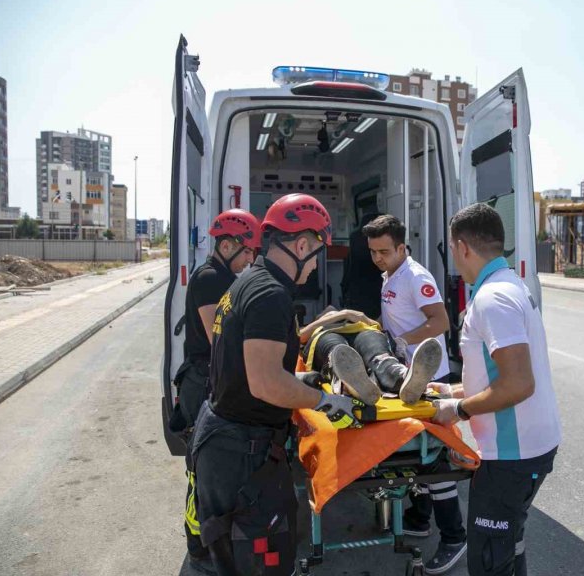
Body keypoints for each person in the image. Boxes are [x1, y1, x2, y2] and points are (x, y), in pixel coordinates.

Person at [192, 194, 360, 576]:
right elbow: (266, 383)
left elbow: (243, 365)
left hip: (224, 443)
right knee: (262, 559)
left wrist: (296, 379)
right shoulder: (271, 295)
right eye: (317, 252)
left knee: (238, 558)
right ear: (302, 244)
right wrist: (324, 401)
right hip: (243, 455)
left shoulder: (248, 282)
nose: (317, 262)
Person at [431, 203, 561, 576]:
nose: (454, 258)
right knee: (508, 548)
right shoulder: (507, 285)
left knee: (489, 560)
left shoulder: (492, 299)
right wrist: (453, 391)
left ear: (463, 247)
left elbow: (519, 382)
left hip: (512, 457)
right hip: (524, 450)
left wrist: (458, 411)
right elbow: (498, 374)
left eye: (453, 251)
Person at [362, 214, 467, 575]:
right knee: (416, 455)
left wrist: (401, 342)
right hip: (404, 374)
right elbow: (396, 316)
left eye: (385, 251)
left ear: (402, 247)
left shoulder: (416, 276)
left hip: (429, 378)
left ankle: (454, 535)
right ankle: (420, 519)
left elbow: (440, 322)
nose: (378, 258)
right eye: (373, 251)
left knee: (434, 461)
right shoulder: (390, 274)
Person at [169, 208, 259, 573]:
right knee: (199, 474)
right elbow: (217, 338)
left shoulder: (223, 276)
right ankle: (198, 549)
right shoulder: (209, 278)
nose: (251, 259)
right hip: (200, 383)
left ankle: (208, 541)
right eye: (248, 252)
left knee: (210, 473)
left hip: (209, 380)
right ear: (227, 245)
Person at [297, 307, 443, 405]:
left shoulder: (359, 320)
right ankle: (349, 383)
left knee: (379, 356)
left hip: (363, 331)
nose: (332, 309)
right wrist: (340, 314)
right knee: (338, 351)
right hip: (327, 334)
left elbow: (377, 328)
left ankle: (403, 377)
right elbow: (300, 337)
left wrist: (361, 317)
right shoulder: (319, 326)